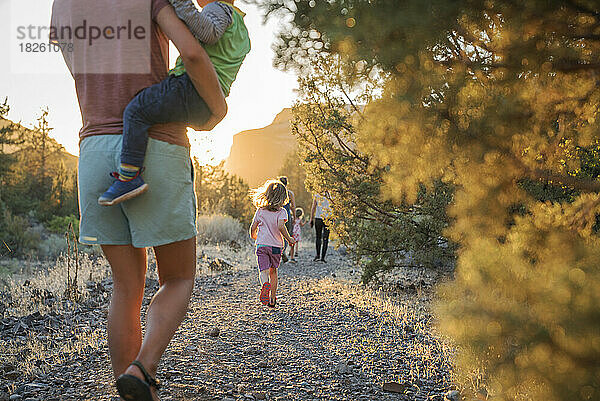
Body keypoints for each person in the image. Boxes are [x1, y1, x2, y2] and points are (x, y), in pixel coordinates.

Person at [50, 1, 227, 400]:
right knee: (178, 277)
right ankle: (143, 367)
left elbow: (77, 62)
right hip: (155, 145)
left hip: (93, 147)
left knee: (126, 284)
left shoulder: (62, 5)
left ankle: (132, 391)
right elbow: (194, 52)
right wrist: (217, 108)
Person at [98, 0, 251, 206]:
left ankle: (129, 177)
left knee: (136, 111)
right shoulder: (241, 28)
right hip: (207, 100)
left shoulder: (219, 9)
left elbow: (208, 32)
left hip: (189, 87)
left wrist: (180, 3)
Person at [249, 180, 295, 308]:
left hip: (262, 245)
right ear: (283, 198)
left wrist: (254, 236)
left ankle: (264, 284)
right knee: (273, 272)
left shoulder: (260, 211)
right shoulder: (282, 212)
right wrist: (289, 239)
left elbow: (253, 227)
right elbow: (281, 226)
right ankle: (273, 299)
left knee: (263, 271)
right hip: (276, 247)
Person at [277, 176, 296, 262]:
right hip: (287, 216)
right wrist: (295, 217)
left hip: (277, 216)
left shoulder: (277, 193)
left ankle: (278, 252)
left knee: (277, 235)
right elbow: (293, 207)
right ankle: (283, 250)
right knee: (287, 234)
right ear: (287, 183)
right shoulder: (290, 193)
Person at [310, 194, 331, 263]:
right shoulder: (332, 195)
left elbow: (313, 207)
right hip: (328, 218)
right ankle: (323, 257)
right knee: (326, 238)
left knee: (318, 237)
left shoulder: (317, 195)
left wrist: (311, 219)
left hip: (318, 218)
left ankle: (318, 255)